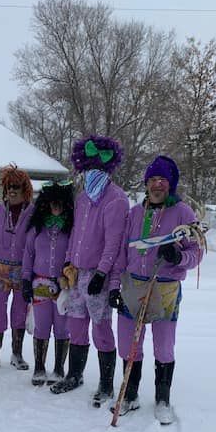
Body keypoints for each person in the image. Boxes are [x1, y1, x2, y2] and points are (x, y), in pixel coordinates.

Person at [109, 155, 203, 424]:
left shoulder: (183, 213)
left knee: (163, 347)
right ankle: (130, 395)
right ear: (146, 183)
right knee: (128, 345)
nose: (157, 185)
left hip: (165, 289)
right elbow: (121, 251)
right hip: (132, 285)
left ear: (170, 183)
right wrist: (115, 285)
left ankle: (162, 399)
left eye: (162, 180)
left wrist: (179, 258)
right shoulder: (135, 212)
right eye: (152, 180)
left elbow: (196, 252)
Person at [50, 135, 129, 407]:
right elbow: (75, 235)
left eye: (97, 169)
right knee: (76, 326)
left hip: (100, 277)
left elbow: (114, 242)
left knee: (101, 330)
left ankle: (106, 384)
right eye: (88, 169)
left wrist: (102, 273)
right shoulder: (82, 198)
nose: (91, 174)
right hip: (77, 275)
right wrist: (68, 262)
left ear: (108, 169)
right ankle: (74, 375)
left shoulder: (116, 199)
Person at [0, 164, 34, 372]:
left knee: (19, 312)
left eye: (16, 187)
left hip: (22, 270)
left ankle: (17, 354)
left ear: (25, 189)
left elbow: (36, 244)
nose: (12, 191)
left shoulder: (32, 213)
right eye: (8, 187)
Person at [22, 180, 74, 386]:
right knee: (42, 327)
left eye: (59, 203)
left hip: (63, 286)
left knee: (62, 328)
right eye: (52, 202)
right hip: (39, 285)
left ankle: (59, 368)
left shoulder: (71, 229)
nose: (56, 206)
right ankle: (39, 367)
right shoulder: (37, 228)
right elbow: (28, 255)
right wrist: (26, 281)